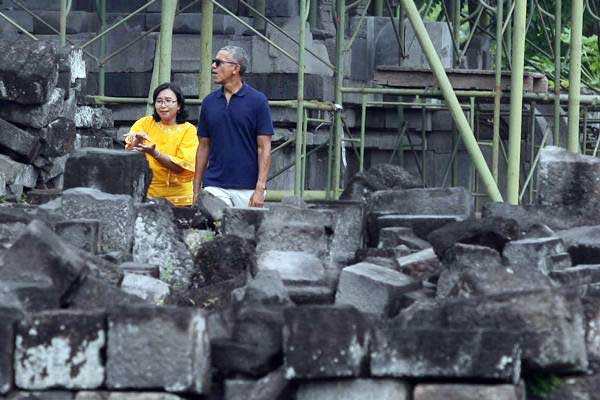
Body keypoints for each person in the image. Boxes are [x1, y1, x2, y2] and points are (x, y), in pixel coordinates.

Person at [193, 45, 273, 208]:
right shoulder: (209, 102)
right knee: (214, 231)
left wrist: (260, 187)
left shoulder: (258, 101)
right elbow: (203, 147)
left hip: (248, 187)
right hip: (214, 184)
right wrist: (195, 190)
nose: (213, 66)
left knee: (245, 233)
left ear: (235, 68)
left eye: (218, 62)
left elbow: (264, 147)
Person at [125, 82, 199, 207]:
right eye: (159, 101)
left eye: (168, 101)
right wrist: (137, 141)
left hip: (180, 198)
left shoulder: (189, 130)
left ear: (179, 105)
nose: (163, 105)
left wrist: (155, 153)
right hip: (148, 194)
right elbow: (128, 156)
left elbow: (182, 166)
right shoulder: (144, 123)